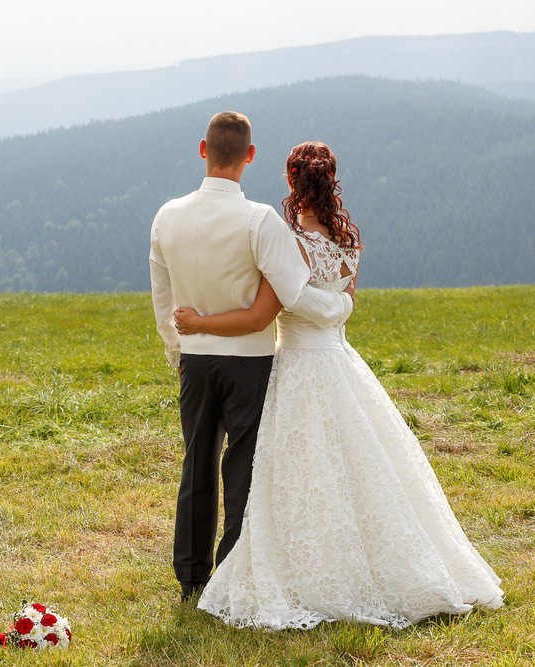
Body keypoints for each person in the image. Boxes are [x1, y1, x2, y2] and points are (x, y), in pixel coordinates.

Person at [173, 141, 504, 629]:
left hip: (297, 367)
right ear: (331, 181)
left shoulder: (286, 242)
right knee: (361, 466)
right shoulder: (348, 241)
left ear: (292, 182)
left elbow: (267, 311)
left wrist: (199, 322)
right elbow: (345, 302)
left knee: (295, 472)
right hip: (339, 362)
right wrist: (337, 309)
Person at [149, 112, 355, 602]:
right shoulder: (260, 219)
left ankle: (191, 576)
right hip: (250, 362)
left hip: (195, 359)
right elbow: (292, 291)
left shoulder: (166, 216)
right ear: (250, 155)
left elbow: (162, 297)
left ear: (203, 149)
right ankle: (233, 572)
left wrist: (178, 350)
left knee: (196, 463)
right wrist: (342, 303)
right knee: (242, 466)